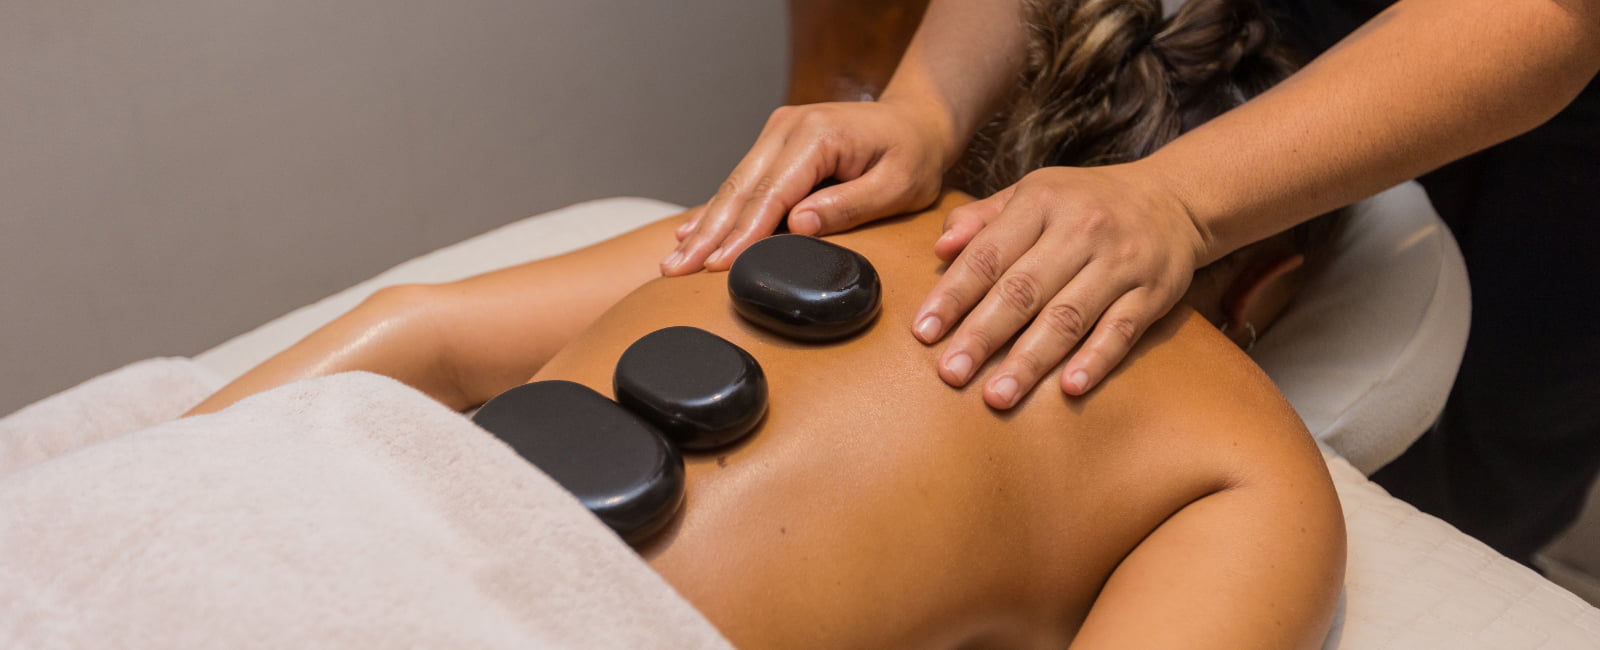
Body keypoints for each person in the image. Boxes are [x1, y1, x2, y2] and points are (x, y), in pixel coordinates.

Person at [185, 0, 1346, 646]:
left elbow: (414, 326)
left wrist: (153, 488)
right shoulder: (1242, 455)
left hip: (264, 537)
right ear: (1272, 284)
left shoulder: (823, 215)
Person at [661, 0, 1600, 564]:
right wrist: (926, 105)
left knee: (1493, 464)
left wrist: (1181, 202)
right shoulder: (1255, 504)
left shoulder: (1248, 505)